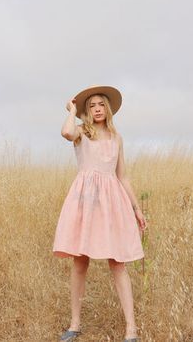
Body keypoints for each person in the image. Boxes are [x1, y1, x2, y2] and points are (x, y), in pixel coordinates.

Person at [53, 85, 148, 342]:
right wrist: (72, 110)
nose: (96, 109)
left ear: (107, 108)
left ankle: (131, 328)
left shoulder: (117, 139)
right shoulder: (82, 132)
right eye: (92, 105)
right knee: (80, 261)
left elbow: (123, 177)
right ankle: (75, 323)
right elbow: (65, 131)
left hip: (112, 204)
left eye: (101, 104)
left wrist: (136, 209)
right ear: (87, 110)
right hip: (85, 202)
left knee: (118, 263)